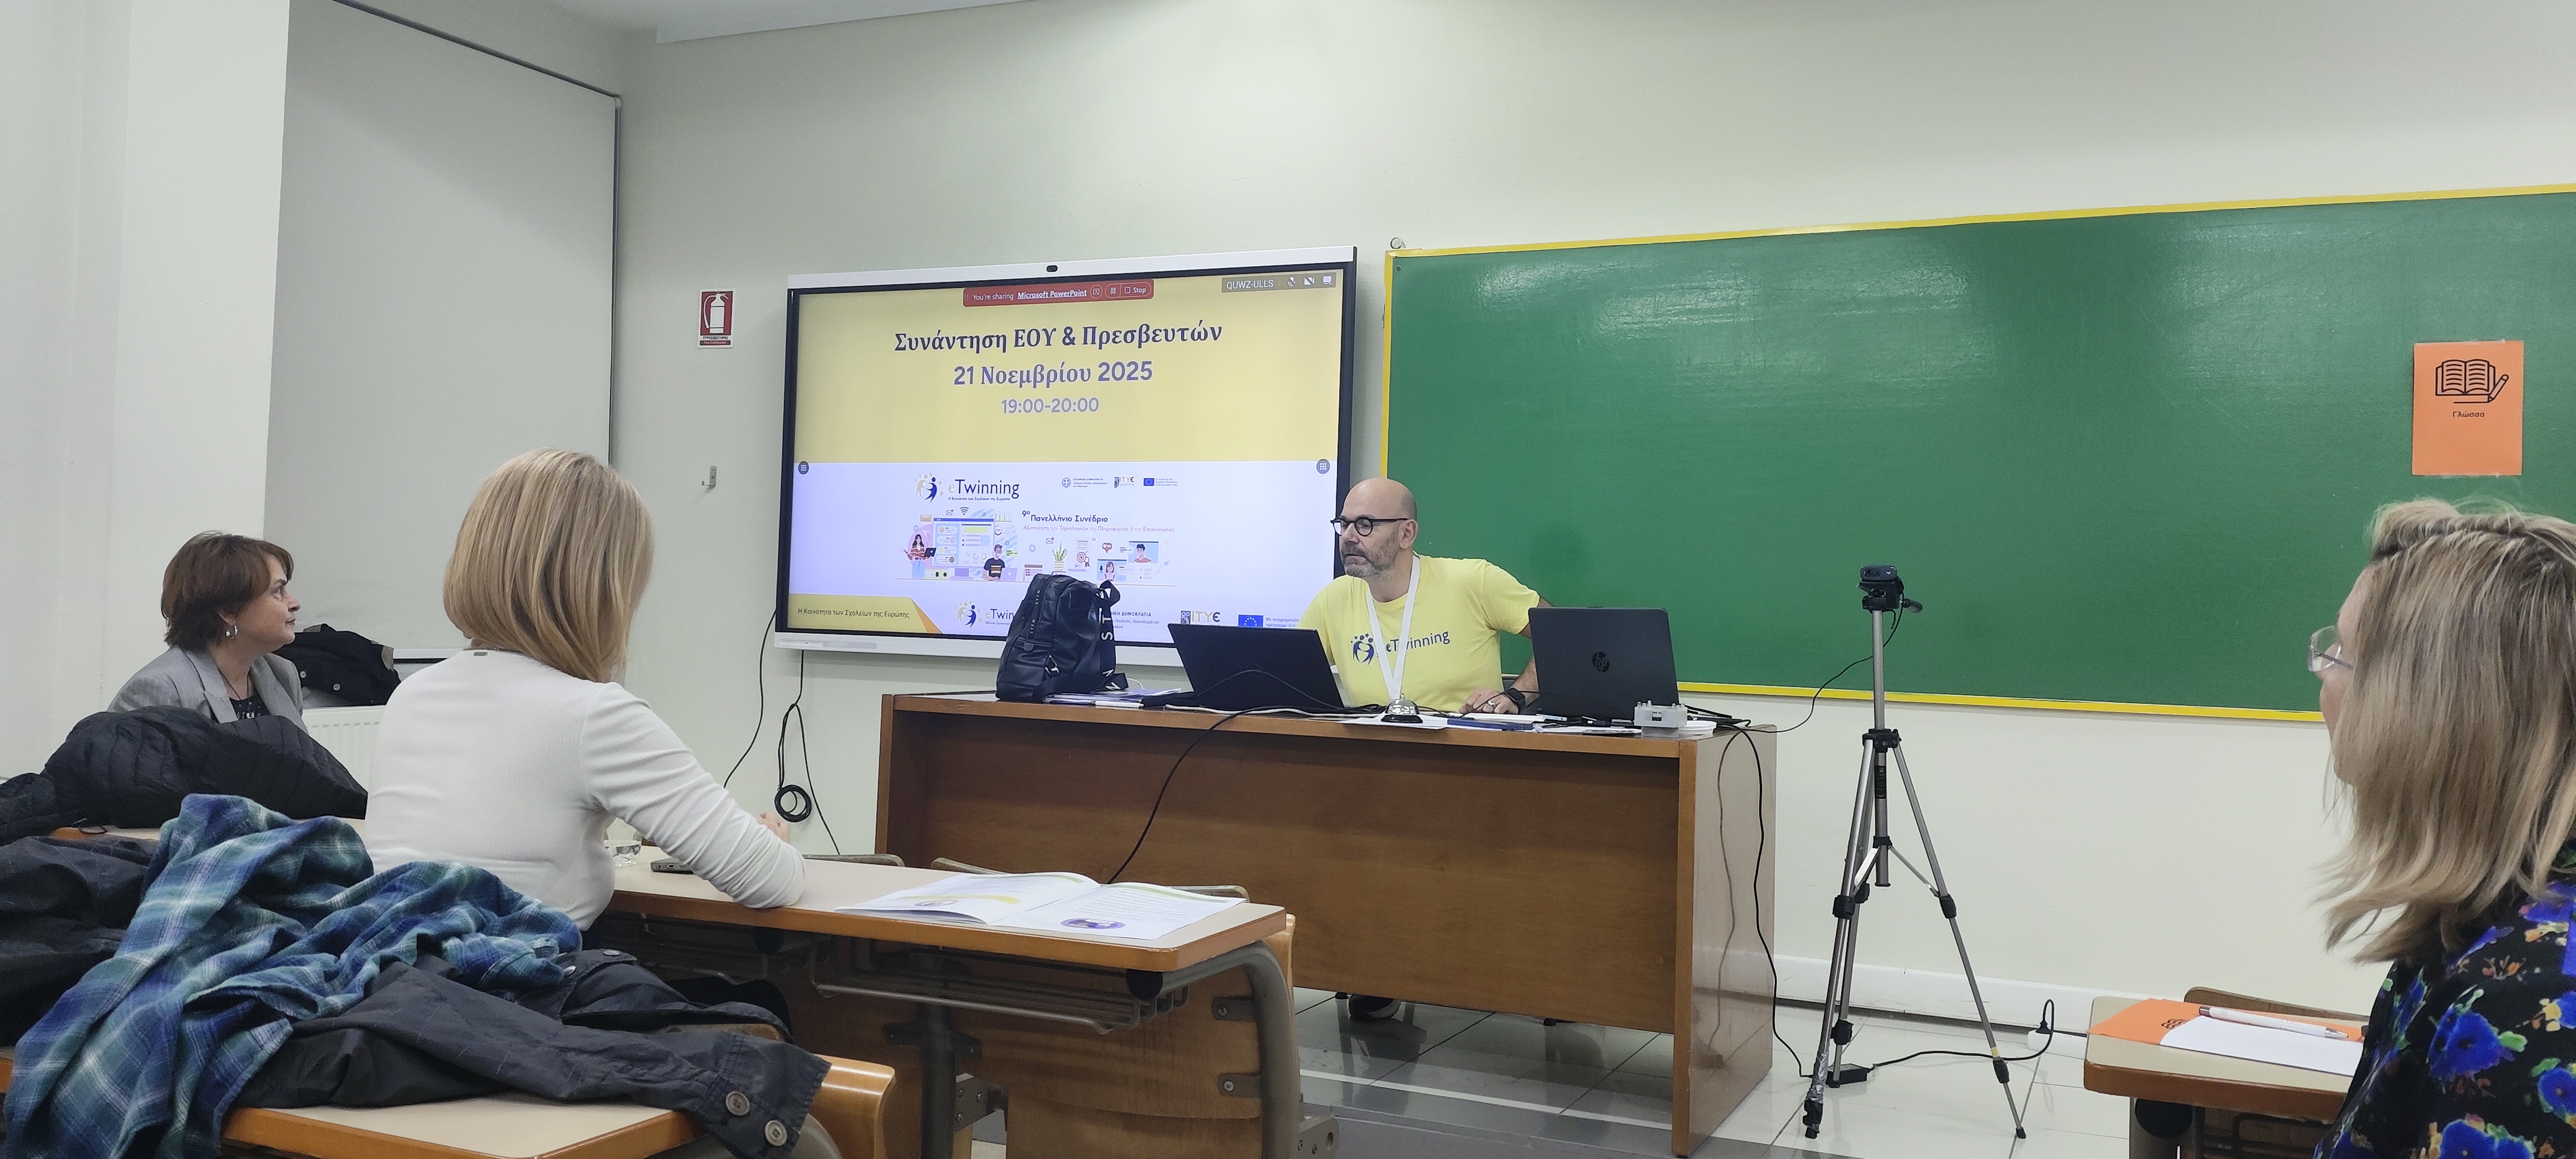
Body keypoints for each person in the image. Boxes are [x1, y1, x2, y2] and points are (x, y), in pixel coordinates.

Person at [364, 449, 803, 928]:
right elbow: (767, 880)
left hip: (384, 965)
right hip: (517, 972)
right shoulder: (594, 716)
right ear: (606, 588)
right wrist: (772, 842)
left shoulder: (412, 695)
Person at [2312, 498, 2576, 1158]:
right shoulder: (2476, 919)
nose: (2323, 671)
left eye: (2343, 653)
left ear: (2431, 709)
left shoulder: (2529, 1005)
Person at [1298, 478, 1546, 716]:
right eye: (1344, 524)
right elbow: (1286, 676)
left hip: (1465, 740)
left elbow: (1562, 637)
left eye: (1365, 525)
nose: (1349, 537)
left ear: (1406, 534)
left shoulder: (1473, 581)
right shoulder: (1333, 599)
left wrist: (1517, 695)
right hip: (1372, 742)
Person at [111, 533, 307, 728]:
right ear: (228, 611)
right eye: (278, 591)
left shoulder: (282, 673)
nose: (294, 603)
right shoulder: (158, 690)